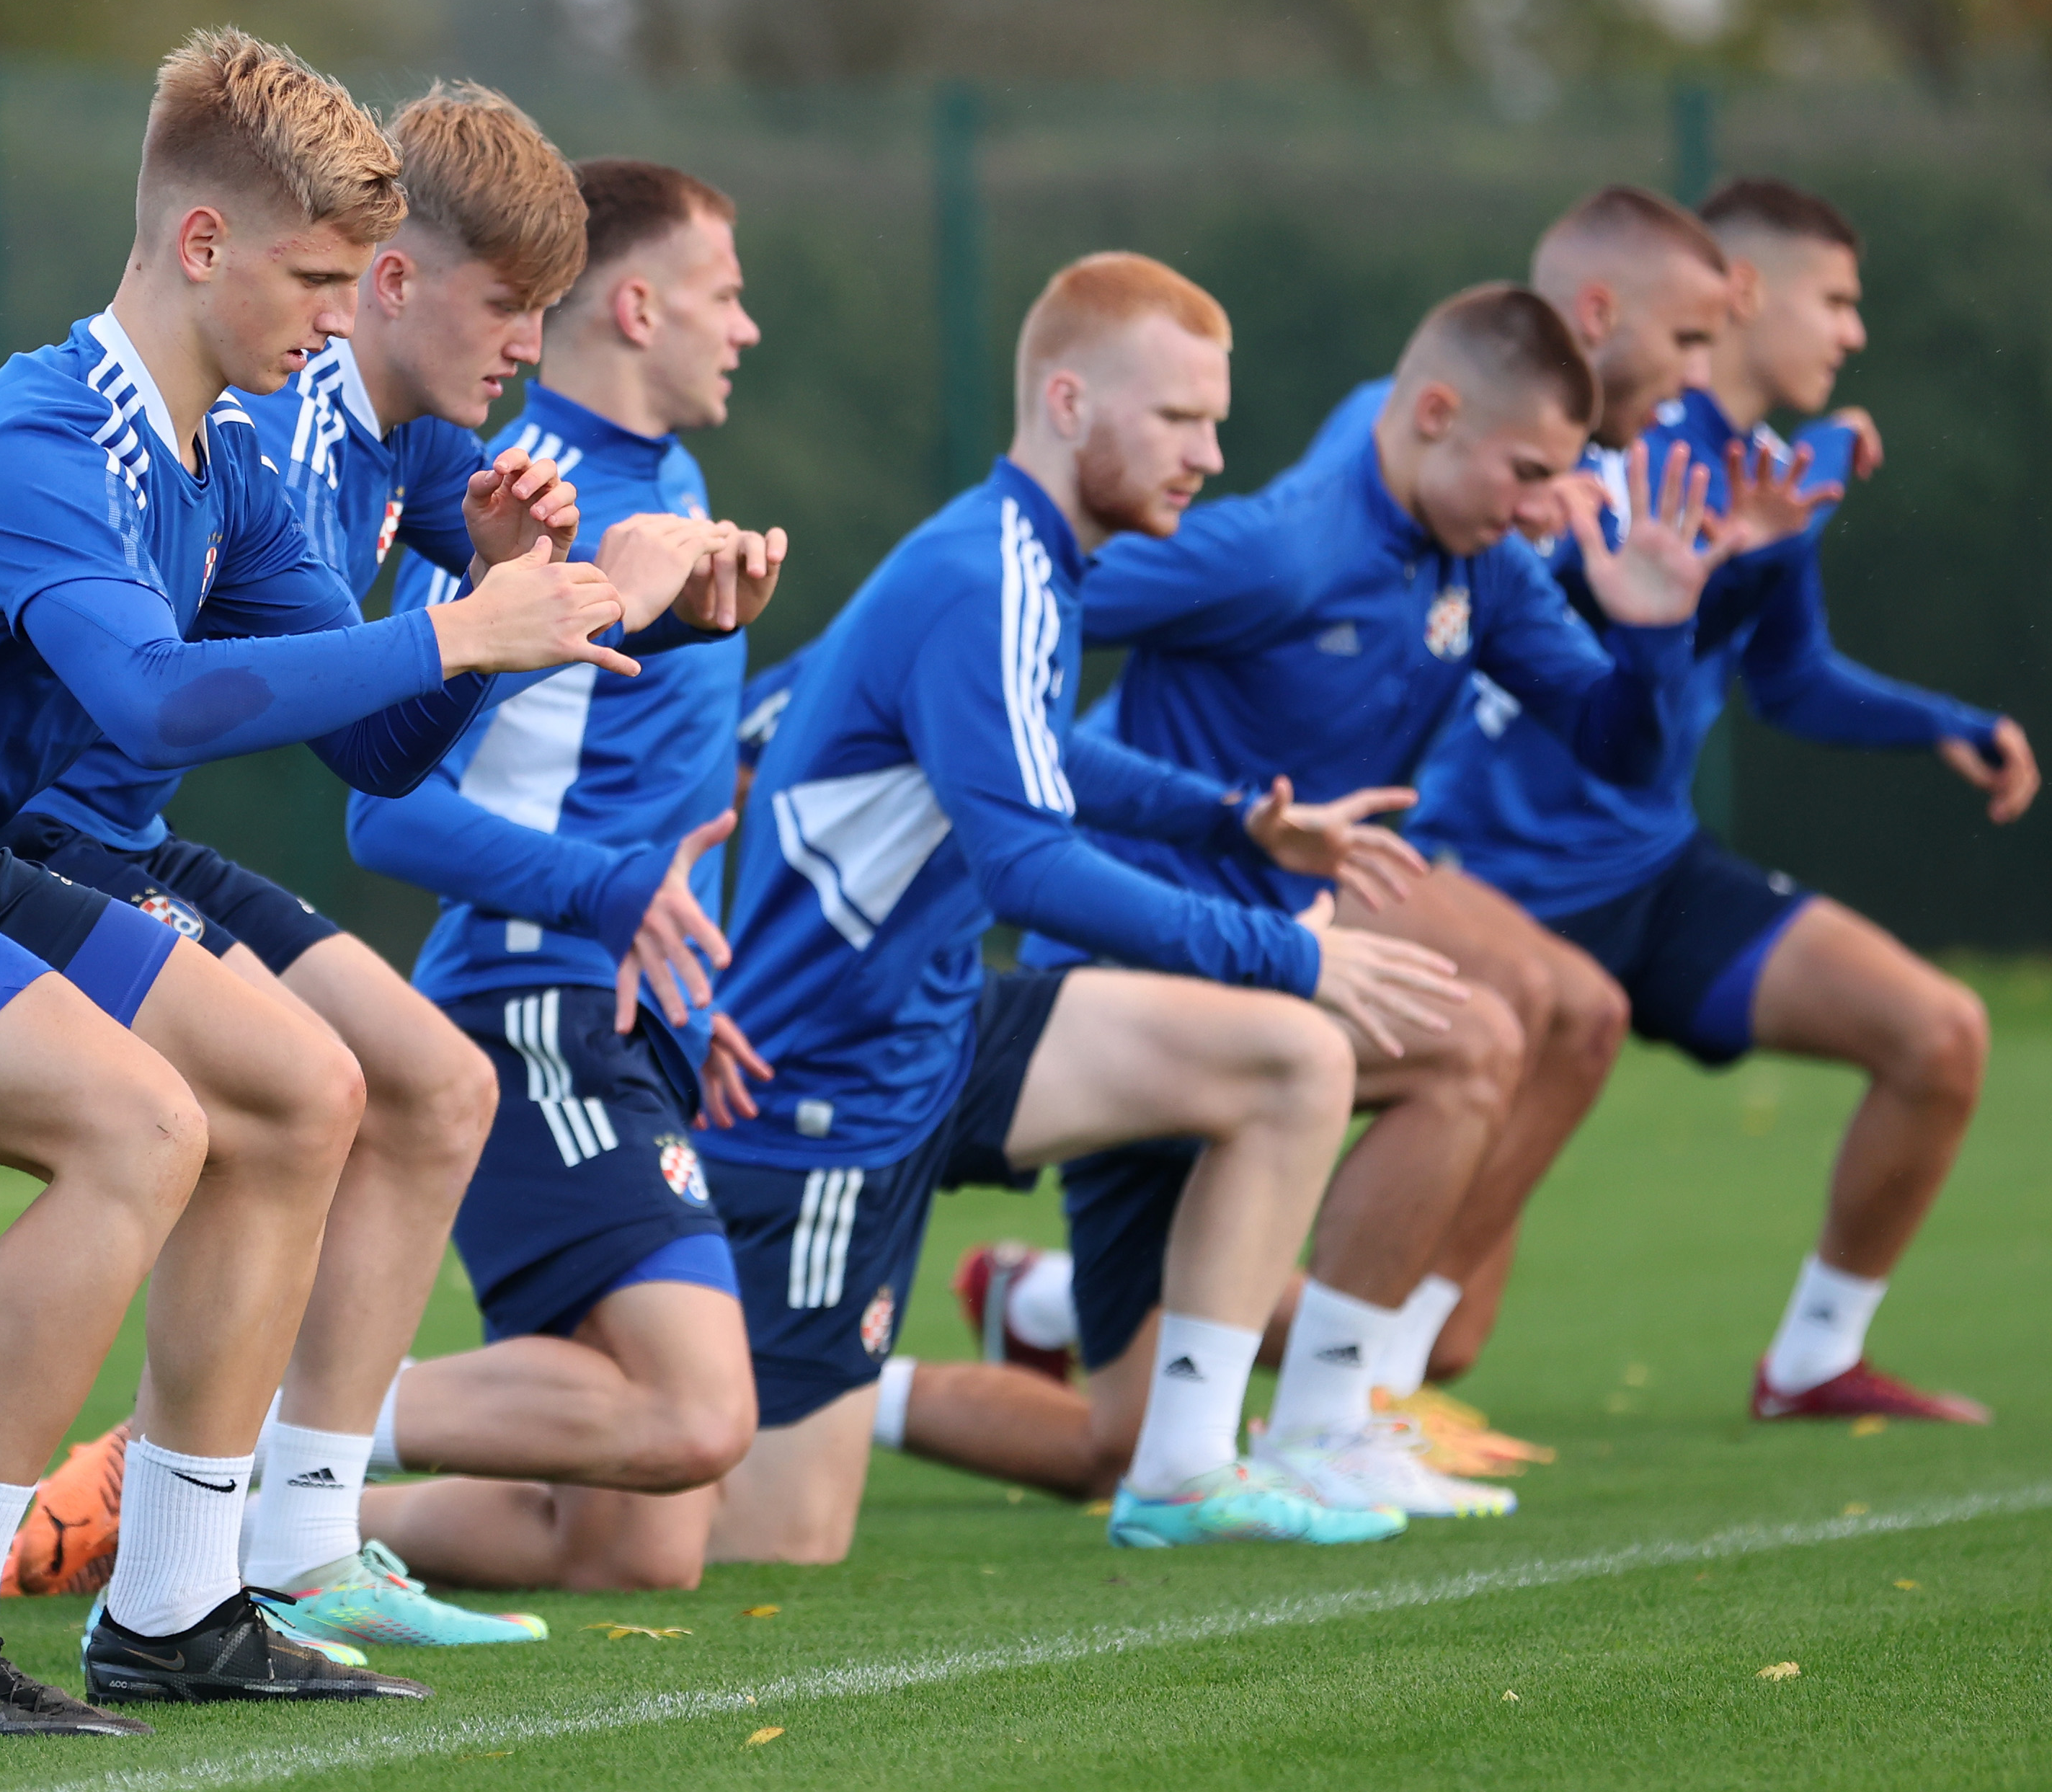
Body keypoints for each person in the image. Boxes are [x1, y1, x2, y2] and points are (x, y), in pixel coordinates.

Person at [0, 29, 634, 1736]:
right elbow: (149, 699)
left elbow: (375, 748)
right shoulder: (44, 444)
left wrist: (489, 608)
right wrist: (454, 629)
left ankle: (174, 1610)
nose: (334, 317)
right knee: (139, 1129)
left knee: (303, 1091)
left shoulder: (225, 464)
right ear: (202, 243)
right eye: (314, 277)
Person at [0, 84, 727, 1649]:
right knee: (302, 1098)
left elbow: (399, 730)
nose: (529, 346)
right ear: (392, 282)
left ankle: (303, 1541)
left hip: (128, 836)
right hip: (39, 840)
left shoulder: (414, 445)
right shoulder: (276, 423)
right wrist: (540, 605)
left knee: (437, 1086)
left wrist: (622, 606)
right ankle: (161, 1536)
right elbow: (365, 748)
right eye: (508, 306)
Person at [938, 279, 1822, 1517]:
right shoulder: (1283, 550)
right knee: (1475, 1042)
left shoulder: (1487, 569)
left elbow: (1619, 749)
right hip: (1130, 970)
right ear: (1436, 417)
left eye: (1561, 477)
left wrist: (1655, 631)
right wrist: (810, 711)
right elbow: (993, 605)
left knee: (1117, 1442)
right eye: (1527, 473)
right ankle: (1329, 1427)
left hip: (1244, 967)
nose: (1544, 509)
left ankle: (829, 1395)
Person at [694, 251, 1478, 1560]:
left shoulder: (1030, 559)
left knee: (1294, 1063)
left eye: (1213, 422)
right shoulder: (988, 572)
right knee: (767, 1539)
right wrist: (1281, 948)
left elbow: (1037, 751)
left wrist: (1237, 819)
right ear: (1066, 404)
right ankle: (354, 1451)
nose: (1209, 455)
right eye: (1178, 419)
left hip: (936, 1021)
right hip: (821, 1076)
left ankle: (1185, 1470)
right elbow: (1028, 867)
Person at [1408, 177, 2025, 1424]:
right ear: (1742, 293)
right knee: (1442, 1337)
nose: (1853, 331)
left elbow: (1790, 680)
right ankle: (1055, 1298)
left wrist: (1943, 721)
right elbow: (1535, 629)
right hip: (1506, 897)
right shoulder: (1600, 441)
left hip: (1656, 875)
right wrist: (1694, 556)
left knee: (1939, 1035)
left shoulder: (1775, 475)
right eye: (1834, 299)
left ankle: (1812, 1361)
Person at [340, 158, 784, 1594]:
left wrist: (686, 991)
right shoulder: (520, 501)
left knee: (631, 1542)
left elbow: (647, 798)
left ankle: (233, 1528)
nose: (745, 326)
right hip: (531, 1006)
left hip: (625, 1014)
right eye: (725, 294)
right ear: (641, 308)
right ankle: (234, 1432)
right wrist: (607, 901)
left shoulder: (672, 486)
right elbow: (383, 816)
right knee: (697, 1414)